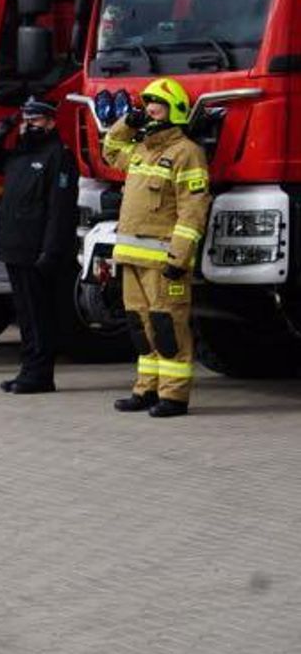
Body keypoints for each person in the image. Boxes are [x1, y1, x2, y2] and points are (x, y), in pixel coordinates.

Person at [102, 78, 211, 418]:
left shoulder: (187, 153)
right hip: (131, 256)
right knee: (139, 325)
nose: (149, 110)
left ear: (175, 110)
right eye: (147, 104)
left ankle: (174, 396)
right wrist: (126, 123)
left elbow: (193, 209)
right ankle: (146, 389)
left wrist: (179, 258)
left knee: (167, 325)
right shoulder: (140, 148)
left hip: (165, 261)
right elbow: (108, 151)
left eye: (157, 105)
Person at [0, 97, 79, 394]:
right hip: (15, 246)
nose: (29, 126)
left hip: (37, 250)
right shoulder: (20, 154)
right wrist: (1, 132)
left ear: (51, 121)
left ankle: (40, 374)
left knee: (40, 315)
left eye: (35, 120)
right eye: (26, 121)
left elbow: (60, 209)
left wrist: (50, 250)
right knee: (24, 314)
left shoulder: (58, 155)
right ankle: (28, 369)